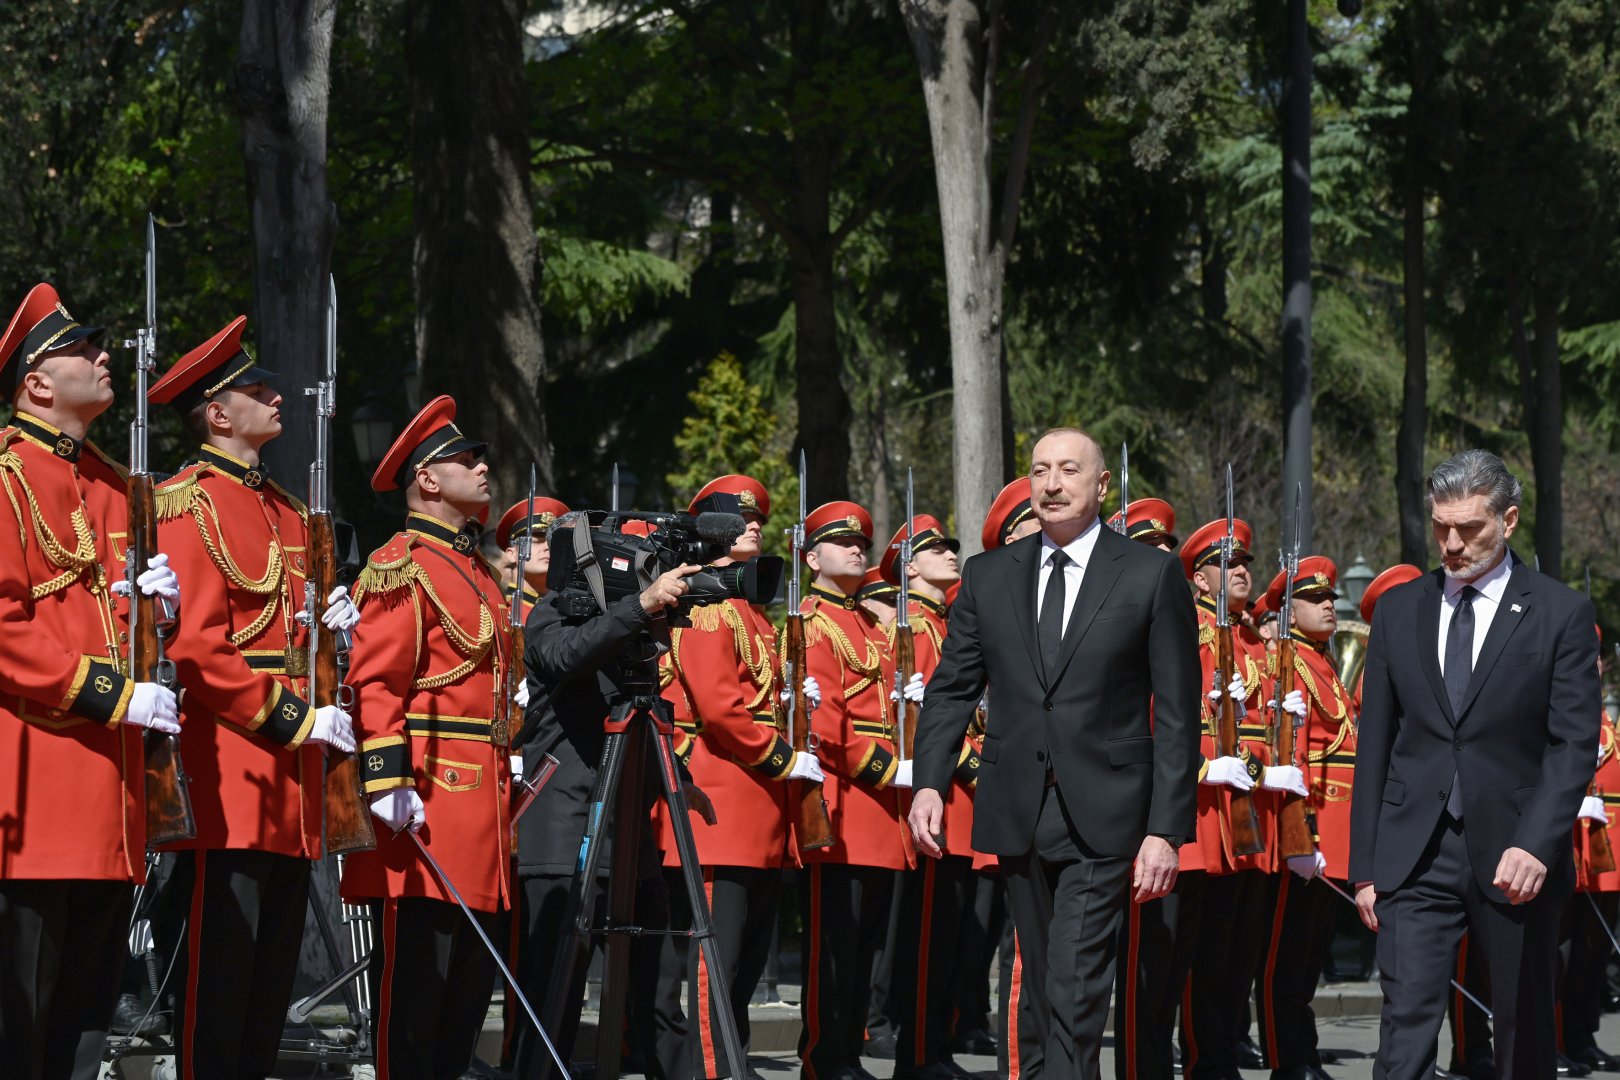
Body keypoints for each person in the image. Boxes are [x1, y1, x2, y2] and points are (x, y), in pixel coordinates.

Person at [908, 426, 1200, 1080]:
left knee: (1072, 985)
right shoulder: (989, 577)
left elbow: (1180, 715)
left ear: (1102, 485)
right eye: (1041, 470)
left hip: (1108, 814)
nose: (1052, 483)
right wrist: (929, 782)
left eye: (1069, 470)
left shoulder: (1150, 575)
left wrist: (1166, 831)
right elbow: (952, 689)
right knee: (1041, 991)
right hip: (1016, 809)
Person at [148, 315, 359, 1079]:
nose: (276, 396)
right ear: (217, 413)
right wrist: (296, 718)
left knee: (270, 984)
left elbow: (302, 632)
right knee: (222, 975)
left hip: (296, 782)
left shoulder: (290, 512)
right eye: (256, 388)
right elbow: (198, 647)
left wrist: (342, 633)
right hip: (234, 764)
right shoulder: (186, 504)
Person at [1350, 448, 1602, 1079]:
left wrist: (1539, 843)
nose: (1452, 543)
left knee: (1522, 1029)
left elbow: (1571, 744)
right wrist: (1365, 868)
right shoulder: (1402, 610)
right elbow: (1375, 743)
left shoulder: (1558, 613)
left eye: (1470, 528)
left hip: (1516, 856)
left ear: (1509, 520)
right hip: (1415, 856)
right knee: (1403, 1029)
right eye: (1441, 528)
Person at [0, 283, 183, 1080]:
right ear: (37, 382)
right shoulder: (7, 477)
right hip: (37, 782)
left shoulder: (114, 483)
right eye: (84, 349)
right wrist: (111, 694)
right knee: (22, 1018)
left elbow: (116, 619)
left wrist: (160, 613)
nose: (105, 359)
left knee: (84, 1024)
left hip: (113, 798)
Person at [340, 395, 517, 1080]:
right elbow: (377, 682)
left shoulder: (475, 569)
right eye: (465, 458)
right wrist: (387, 779)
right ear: (428, 479)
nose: (482, 466)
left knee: (466, 995)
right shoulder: (401, 564)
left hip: (484, 798)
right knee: (417, 991)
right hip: (431, 797)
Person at [511, 510, 701, 1080]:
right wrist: (638, 608)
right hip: (565, 822)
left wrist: (678, 782)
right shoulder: (551, 611)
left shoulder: (629, 626)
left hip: (625, 824)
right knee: (555, 990)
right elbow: (569, 656)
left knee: (660, 982)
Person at [655, 474, 823, 1078]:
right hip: (717, 803)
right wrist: (782, 756)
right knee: (711, 957)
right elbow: (721, 708)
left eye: (756, 516)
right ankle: (709, 1066)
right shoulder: (705, 604)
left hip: (757, 808)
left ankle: (729, 1057)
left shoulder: (747, 611)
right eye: (736, 515)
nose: (754, 522)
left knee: (745, 956)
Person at [796, 501, 915, 1080]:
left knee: (866, 940)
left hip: (882, 804)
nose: (857, 548)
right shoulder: (812, 621)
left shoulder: (873, 625)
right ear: (812, 557)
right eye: (842, 542)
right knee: (834, 942)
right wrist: (891, 771)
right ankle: (824, 1055)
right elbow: (826, 725)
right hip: (846, 796)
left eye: (860, 542)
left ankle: (848, 1047)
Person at [880, 514, 979, 1080]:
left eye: (949, 548)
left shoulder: (947, 625)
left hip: (962, 798)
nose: (949, 555)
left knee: (951, 937)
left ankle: (935, 1049)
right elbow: (928, 723)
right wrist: (974, 768)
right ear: (909, 567)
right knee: (927, 936)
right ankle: (916, 1054)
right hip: (940, 792)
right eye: (935, 550)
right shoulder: (913, 629)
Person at [1255, 556, 1353, 1080]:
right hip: (1306, 827)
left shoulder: (1326, 666)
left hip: (1333, 832)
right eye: (1316, 600)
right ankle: (1285, 1056)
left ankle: (1301, 1051)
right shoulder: (1287, 661)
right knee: (1286, 955)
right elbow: (1289, 752)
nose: (1329, 606)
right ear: (1289, 613)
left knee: (1310, 954)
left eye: (1331, 598)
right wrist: (1301, 833)